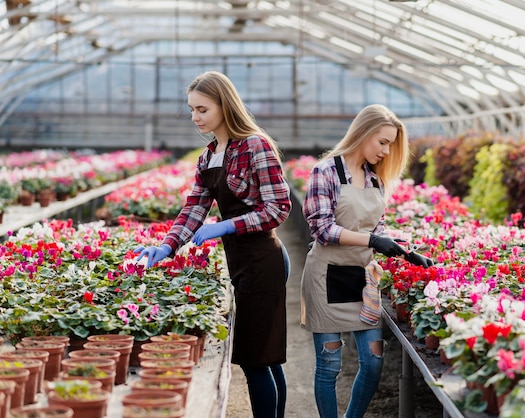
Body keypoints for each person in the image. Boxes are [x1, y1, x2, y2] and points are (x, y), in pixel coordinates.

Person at [134, 71, 292, 418]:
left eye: (202, 109)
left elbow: (279, 208)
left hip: (263, 258)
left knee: (255, 359)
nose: (195, 117)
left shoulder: (254, 145)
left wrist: (229, 225)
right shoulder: (208, 156)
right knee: (265, 356)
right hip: (241, 261)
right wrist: (166, 246)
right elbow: (194, 208)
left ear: (225, 105)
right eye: (192, 110)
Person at [300, 104, 433, 418]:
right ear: (362, 133)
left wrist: (405, 251)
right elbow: (322, 228)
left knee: (373, 362)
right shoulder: (326, 171)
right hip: (325, 277)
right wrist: (373, 240)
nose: (386, 151)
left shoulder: (376, 180)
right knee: (330, 364)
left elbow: (379, 229)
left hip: (363, 278)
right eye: (382, 142)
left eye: (391, 144)